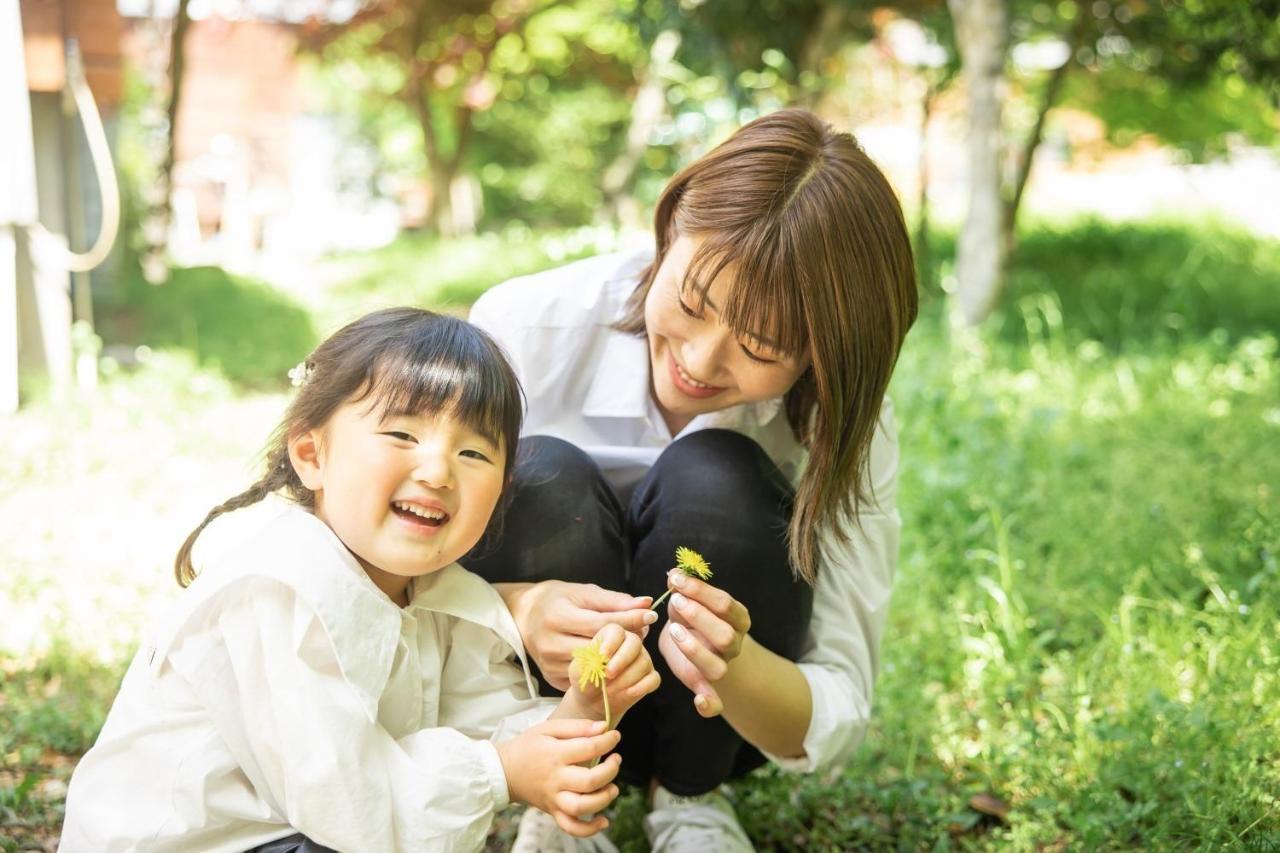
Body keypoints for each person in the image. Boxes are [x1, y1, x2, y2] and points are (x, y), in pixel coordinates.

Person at [464, 108, 918, 851]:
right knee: (546, 478)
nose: (701, 363)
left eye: (762, 345)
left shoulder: (841, 425)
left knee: (717, 482)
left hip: (713, 724)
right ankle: (562, 799)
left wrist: (732, 663)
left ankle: (690, 797)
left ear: (821, 357)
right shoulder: (527, 328)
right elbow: (376, 572)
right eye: (694, 304)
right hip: (534, 699)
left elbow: (838, 701)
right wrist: (513, 606)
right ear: (671, 225)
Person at [59, 308, 660, 853]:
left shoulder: (438, 595)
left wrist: (582, 705)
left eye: (474, 454)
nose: (437, 470)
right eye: (401, 434)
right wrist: (500, 773)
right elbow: (347, 808)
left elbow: (488, 722)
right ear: (312, 455)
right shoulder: (280, 590)